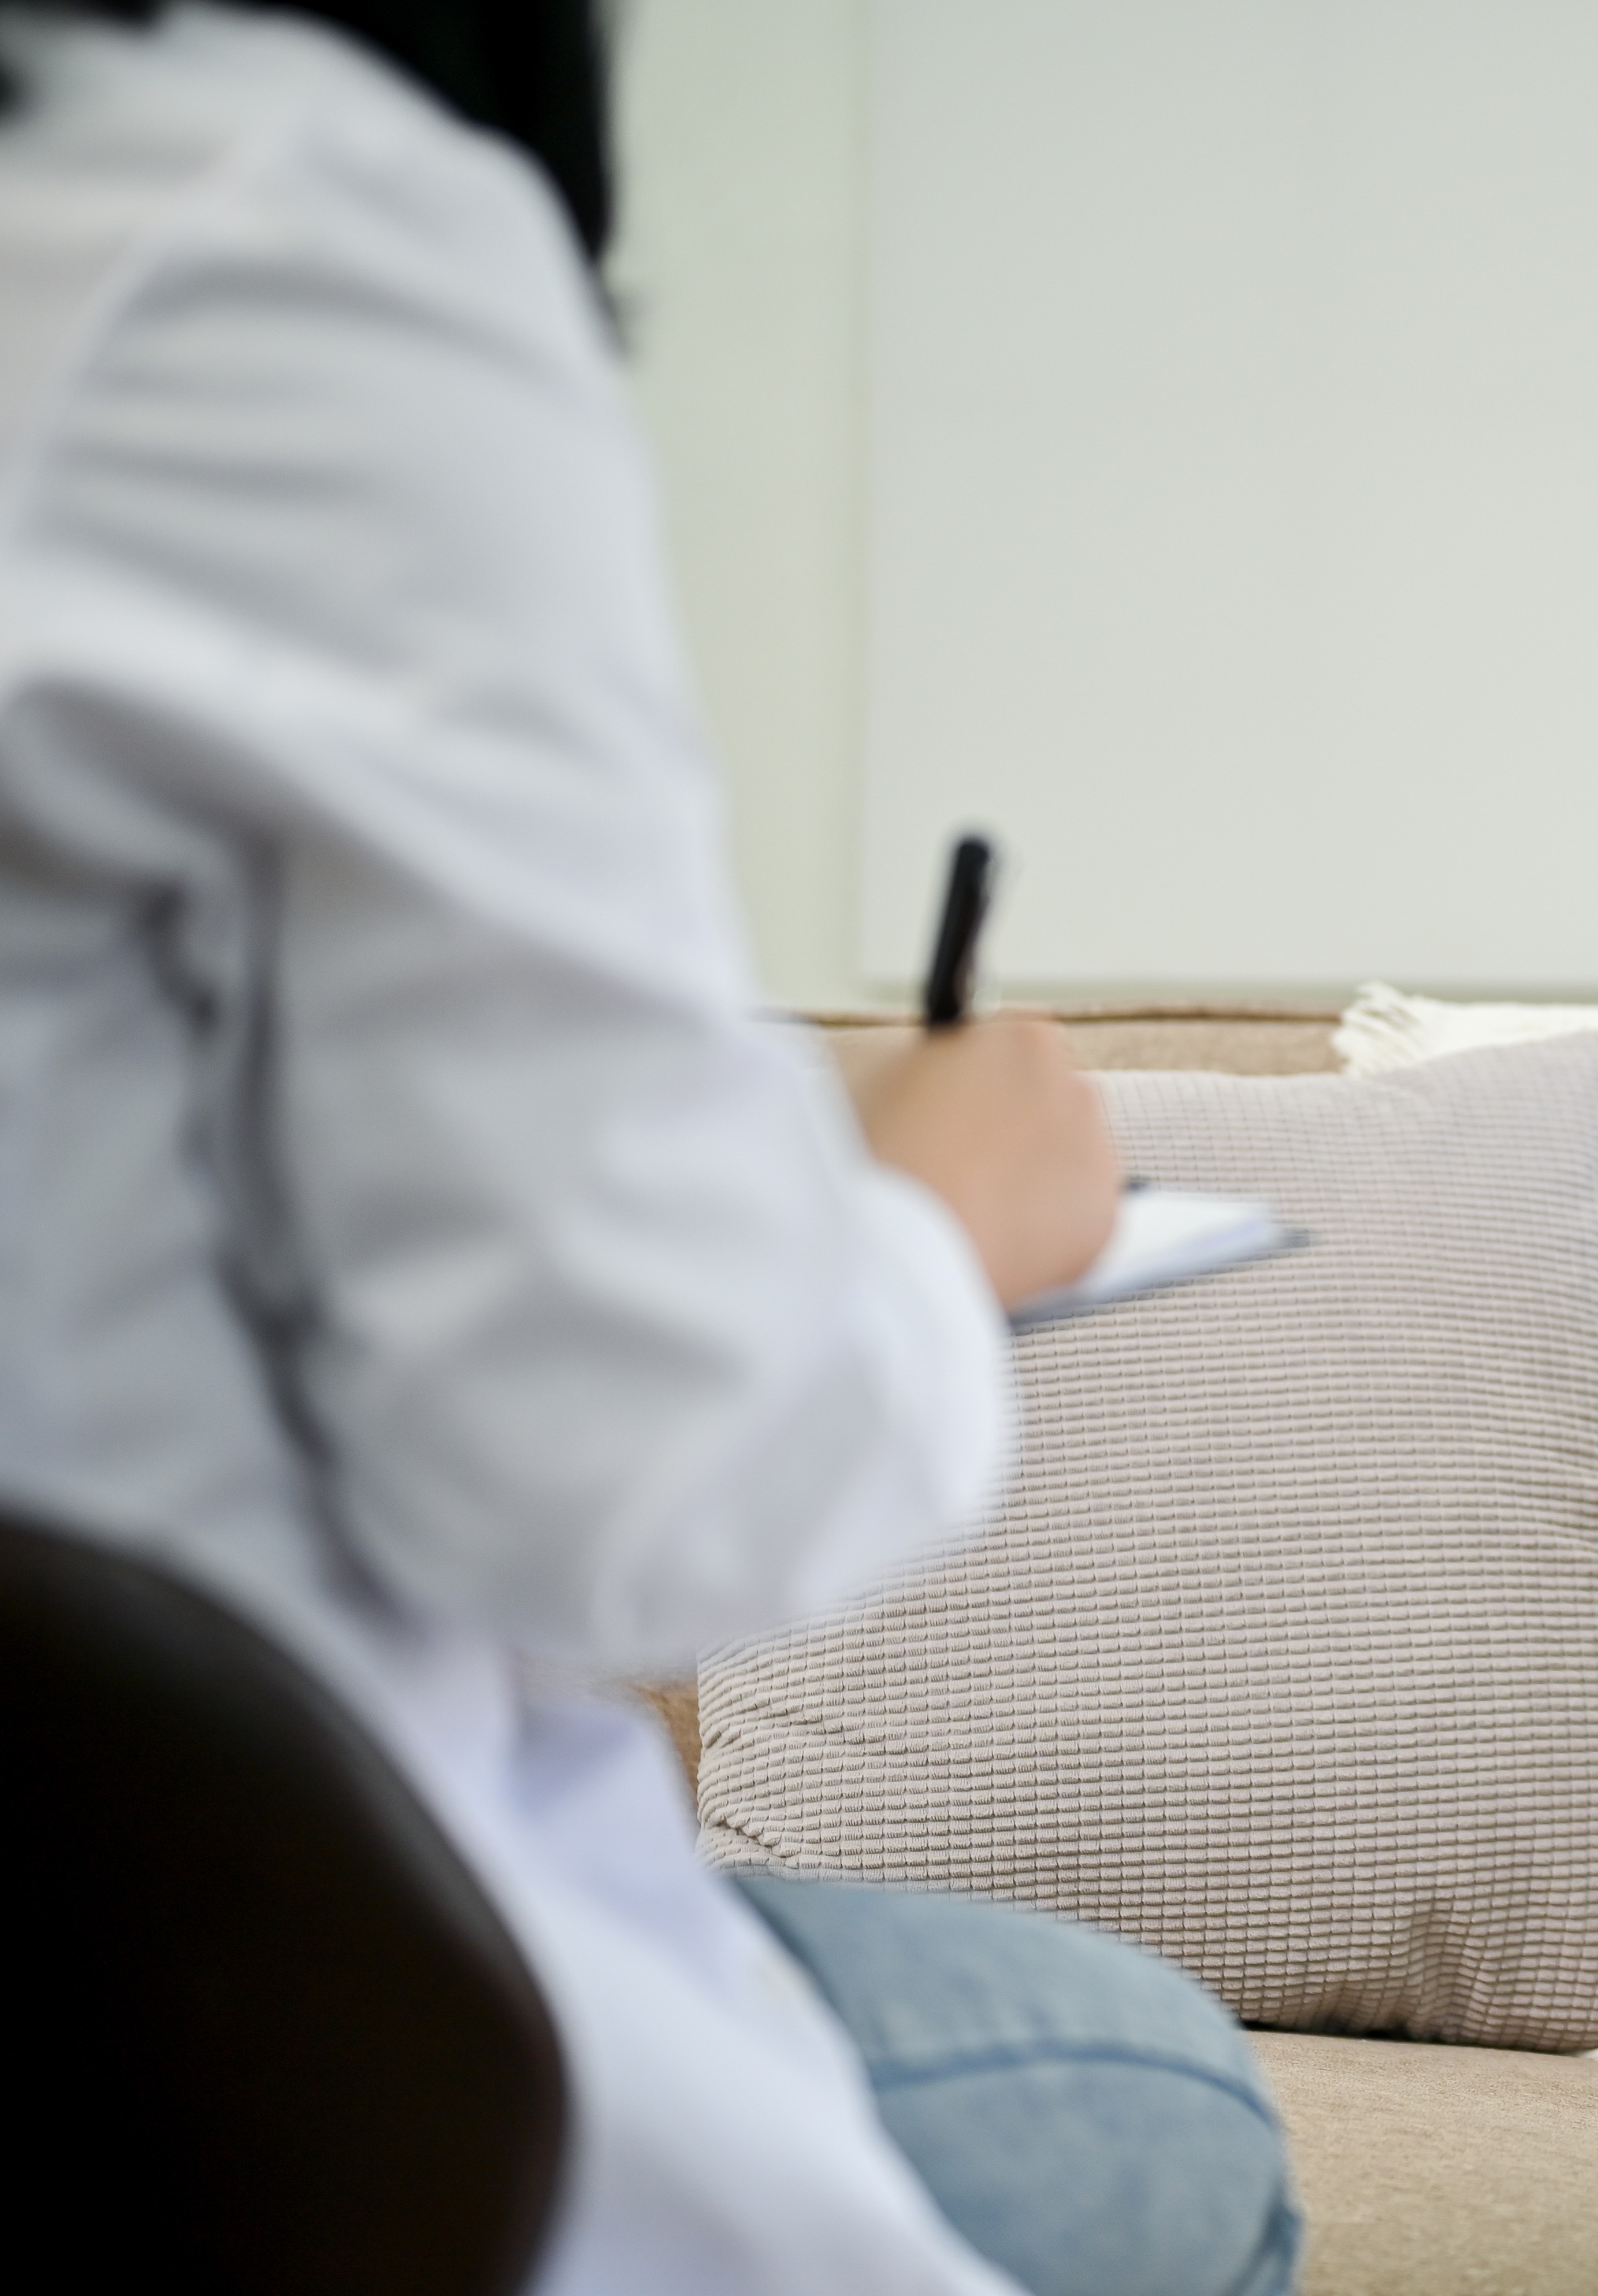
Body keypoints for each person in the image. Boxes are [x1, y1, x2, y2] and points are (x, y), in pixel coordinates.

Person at [0, 6, 1295, 2291]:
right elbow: (620, 1478)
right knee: (1159, 2096)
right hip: (200, 2003)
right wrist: (933, 1221)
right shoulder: (276, 232)